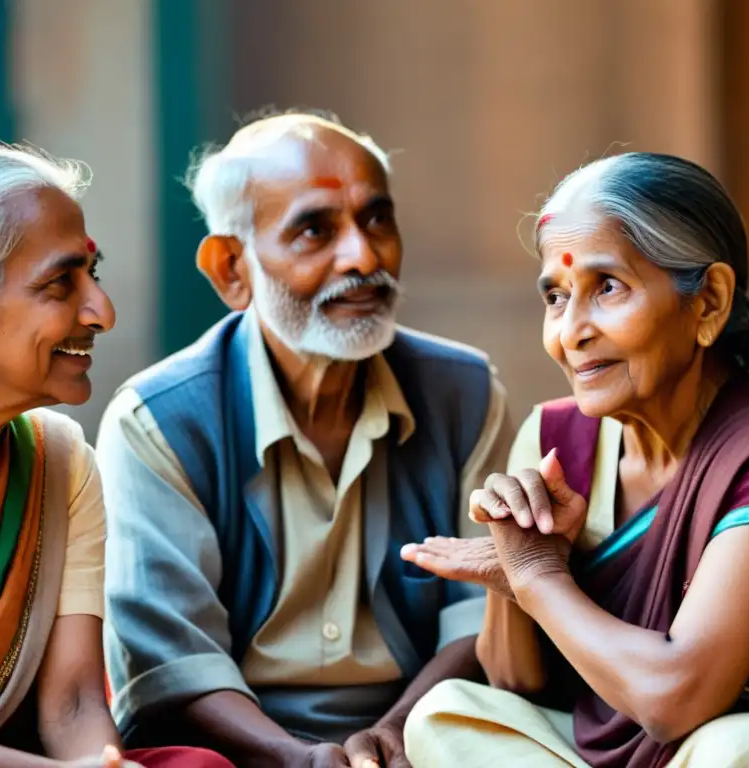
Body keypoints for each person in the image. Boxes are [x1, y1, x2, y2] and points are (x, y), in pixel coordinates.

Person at [96, 109, 512, 767]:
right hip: (234, 746)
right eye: (315, 230)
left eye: (377, 219)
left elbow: (483, 613)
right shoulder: (157, 420)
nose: (365, 257)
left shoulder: (465, 392)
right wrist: (294, 758)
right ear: (232, 268)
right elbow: (172, 659)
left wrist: (397, 733)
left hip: (425, 724)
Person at [400, 152, 749, 767]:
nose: (571, 331)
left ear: (708, 303)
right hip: (586, 747)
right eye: (556, 296)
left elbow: (678, 698)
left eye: (608, 288)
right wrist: (511, 567)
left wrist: (539, 577)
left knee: (745, 747)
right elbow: (517, 685)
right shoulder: (553, 439)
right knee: (449, 711)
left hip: (707, 751)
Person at [0, 142, 232, 767]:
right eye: (59, 283)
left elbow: (72, 703)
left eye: (92, 275)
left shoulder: (60, 460)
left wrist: (102, 763)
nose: (102, 312)